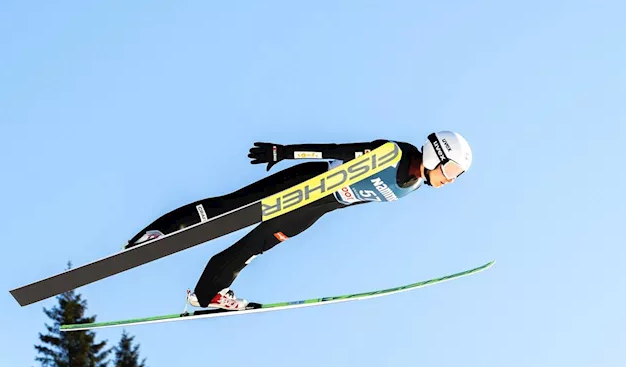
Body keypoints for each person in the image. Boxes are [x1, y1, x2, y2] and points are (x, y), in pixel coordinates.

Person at [126, 131, 473, 310]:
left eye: (458, 175)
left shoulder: (411, 185)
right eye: (453, 169)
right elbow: (337, 150)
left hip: (317, 207)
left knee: (256, 245)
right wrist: (284, 152)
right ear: (436, 153)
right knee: (231, 207)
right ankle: (157, 234)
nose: (451, 179)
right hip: (305, 183)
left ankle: (208, 295)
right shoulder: (394, 154)